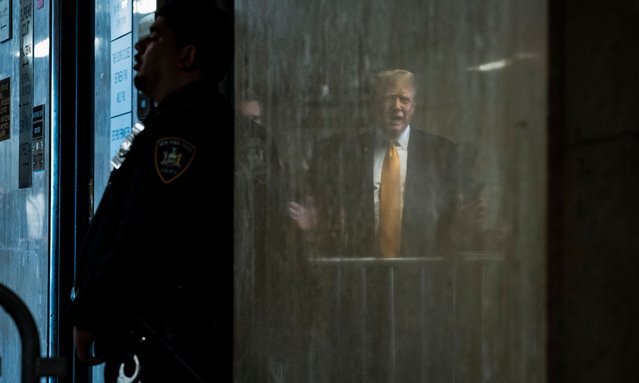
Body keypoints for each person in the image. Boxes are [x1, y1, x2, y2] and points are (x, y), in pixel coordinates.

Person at [67, 2, 233, 382]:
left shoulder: (183, 134)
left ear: (186, 56)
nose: (141, 46)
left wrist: (91, 311)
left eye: (156, 36)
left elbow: (146, 232)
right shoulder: (173, 122)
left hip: (166, 343)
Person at [289, 69, 484, 258]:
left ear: (413, 108)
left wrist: (460, 225)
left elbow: (452, 224)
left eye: (404, 100)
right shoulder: (342, 152)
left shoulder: (442, 154)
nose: (396, 106)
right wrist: (314, 227)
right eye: (389, 98)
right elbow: (330, 215)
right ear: (375, 105)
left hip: (419, 275)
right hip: (359, 273)